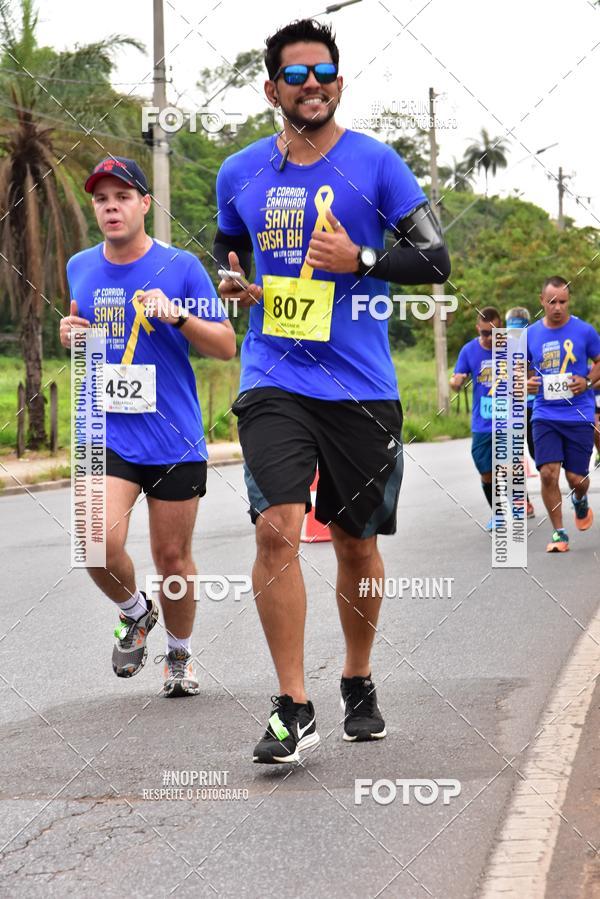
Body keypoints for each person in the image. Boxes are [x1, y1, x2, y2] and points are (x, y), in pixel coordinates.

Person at [213, 18, 450, 763]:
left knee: (355, 545)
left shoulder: (377, 165)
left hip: (360, 386)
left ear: (338, 82)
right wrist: (230, 281)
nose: (310, 84)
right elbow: (228, 238)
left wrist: (362, 256)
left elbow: (435, 259)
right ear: (272, 88)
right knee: (277, 526)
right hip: (273, 374)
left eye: (323, 72)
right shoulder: (239, 172)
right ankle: (293, 703)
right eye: (295, 74)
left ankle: (357, 676)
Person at [60, 156, 236, 694]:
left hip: (172, 435)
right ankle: (135, 612)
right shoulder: (80, 266)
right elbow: (83, 331)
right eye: (101, 198)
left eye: (122, 196)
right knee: (92, 541)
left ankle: (179, 656)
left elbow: (226, 347)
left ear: (145, 204)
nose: (111, 206)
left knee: (172, 558)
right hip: (107, 429)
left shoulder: (181, 267)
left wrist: (178, 315)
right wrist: (70, 335)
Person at [527, 276, 600, 552]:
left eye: (563, 302)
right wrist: (525, 383)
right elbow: (516, 369)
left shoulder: (585, 331)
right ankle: (559, 532)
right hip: (545, 413)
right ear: (542, 302)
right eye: (552, 302)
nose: (557, 307)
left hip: (579, 413)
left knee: (575, 479)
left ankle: (580, 499)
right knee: (548, 473)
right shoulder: (531, 334)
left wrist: (588, 381)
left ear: (568, 301)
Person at [450, 307, 502, 531]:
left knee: (509, 466)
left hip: (509, 418)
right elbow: (456, 381)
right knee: (486, 471)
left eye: (493, 333)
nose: (489, 338)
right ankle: (498, 513)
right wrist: (457, 382)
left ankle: (519, 502)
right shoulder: (468, 351)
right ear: (477, 329)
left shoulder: (513, 347)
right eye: (484, 333)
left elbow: (529, 372)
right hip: (483, 420)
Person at [505, 306, 536, 518]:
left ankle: (524, 501)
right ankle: (523, 500)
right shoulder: (534, 338)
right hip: (525, 407)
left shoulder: (501, 343)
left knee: (517, 457)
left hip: (528, 407)